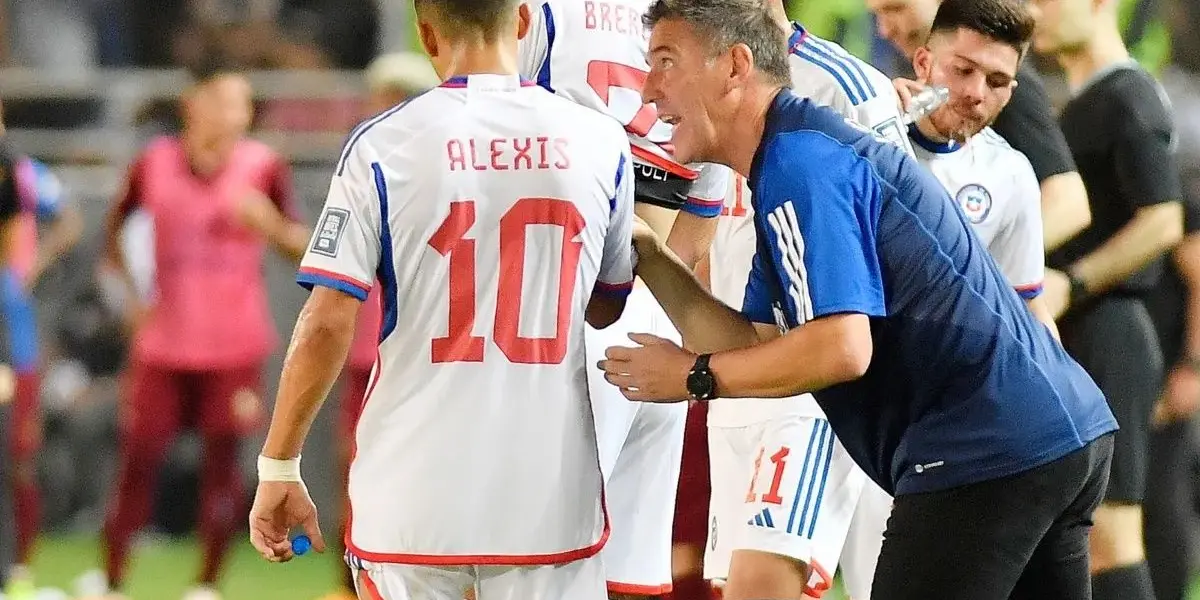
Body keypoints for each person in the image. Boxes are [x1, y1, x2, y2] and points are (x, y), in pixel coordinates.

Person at [599, 1, 1118, 598]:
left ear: (736, 67)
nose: (649, 88)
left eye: (667, 62)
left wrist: (694, 377)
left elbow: (843, 348)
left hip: (983, 444)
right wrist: (652, 255)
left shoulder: (801, 162)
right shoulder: (791, 155)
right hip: (1056, 433)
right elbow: (756, 340)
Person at [247, 0, 636, 598]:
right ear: (524, 22)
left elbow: (327, 319)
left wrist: (279, 463)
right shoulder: (601, 140)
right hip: (548, 495)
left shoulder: (382, 144)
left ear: (427, 34)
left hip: (413, 491)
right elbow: (607, 305)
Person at [695, 1, 909, 598]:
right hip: (735, 368)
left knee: (774, 582)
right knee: (739, 586)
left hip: (818, 381)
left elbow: (900, 228)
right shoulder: (696, 77)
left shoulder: (847, 86)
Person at [517, 2, 729, 598]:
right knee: (633, 569)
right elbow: (700, 220)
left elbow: (493, 131)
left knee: (540, 556)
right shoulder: (696, 23)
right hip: (656, 318)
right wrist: (652, 307)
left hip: (564, 306)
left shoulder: (546, 12)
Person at [96, 64, 309, 600]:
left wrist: (270, 226)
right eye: (227, 101)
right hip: (163, 341)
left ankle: (208, 583)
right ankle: (112, 579)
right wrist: (130, 301)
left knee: (224, 464)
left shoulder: (263, 166)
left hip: (234, 343)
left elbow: (303, 248)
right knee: (137, 457)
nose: (238, 115)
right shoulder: (153, 162)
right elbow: (114, 232)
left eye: (244, 104)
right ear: (194, 103)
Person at [1030, 0, 1185, 597]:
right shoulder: (1091, 99)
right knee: (1078, 534)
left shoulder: (1127, 97)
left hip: (1113, 333)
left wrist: (1075, 281)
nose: (1034, 12)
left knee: (1110, 538)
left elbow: (1164, 220)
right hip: (1089, 332)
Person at [320, 50, 440, 600]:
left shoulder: (399, 171)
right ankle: (353, 581)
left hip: (413, 349)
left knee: (404, 467)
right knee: (354, 463)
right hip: (372, 346)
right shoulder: (374, 167)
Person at [866, 0, 1092, 255]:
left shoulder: (995, 83)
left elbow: (1069, 199)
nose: (884, 29)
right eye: (877, 14)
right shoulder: (891, 92)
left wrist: (980, 269)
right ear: (923, 63)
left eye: (897, 9)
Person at [901, 0, 1057, 334]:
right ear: (923, 63)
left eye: (996, 82)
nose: (976, 93)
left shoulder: (1010, 175)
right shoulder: (867, 138)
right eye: (962, 70)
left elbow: (1028, 310)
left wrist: (1061, 369)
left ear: (1010, 93)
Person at [5, 156, 82, 581]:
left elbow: (69, 221)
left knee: (18, 459)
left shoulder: (23, 175)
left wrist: (34, 263)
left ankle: (18, 568)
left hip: (15, 347)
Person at [1142, 193, 1200, 600]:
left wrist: (1193, 367)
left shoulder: (1169, 186)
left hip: (1165, 377)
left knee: (1159, 500)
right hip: (1120, 367)